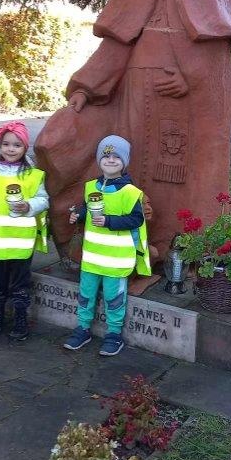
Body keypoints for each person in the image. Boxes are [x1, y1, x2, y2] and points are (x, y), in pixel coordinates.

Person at [35, 0, 231, 261]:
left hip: (183, 103)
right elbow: (116, 44)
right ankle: (129, 244)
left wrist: (190, 77)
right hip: (135, 97)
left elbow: (215, 50)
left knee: (180, 180)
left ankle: (180, 250)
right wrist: (86, 88)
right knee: (129, 165)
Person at [64, 135, 150, 356]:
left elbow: (136, 220)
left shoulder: (130, 192)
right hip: (92, 257)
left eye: (116, 157)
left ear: (124, 161)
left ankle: (114, 334)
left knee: (114, 298)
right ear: (99, 160)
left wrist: (109, 221)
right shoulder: (91, 186)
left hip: (116, 260)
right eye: (106, 156)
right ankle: (83, 329)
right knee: (86, 294)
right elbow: (87, 209)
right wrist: (78, 215)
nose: (111, 160)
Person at [0, 121, 49, 341]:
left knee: (20, 283)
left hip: (21, 240)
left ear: (25, 147)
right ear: (0, 146)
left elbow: (43, 200)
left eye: (17, 145)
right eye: (6, 144)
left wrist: (29, 206)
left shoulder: (33, 175)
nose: (11, 149)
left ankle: (20, 317)